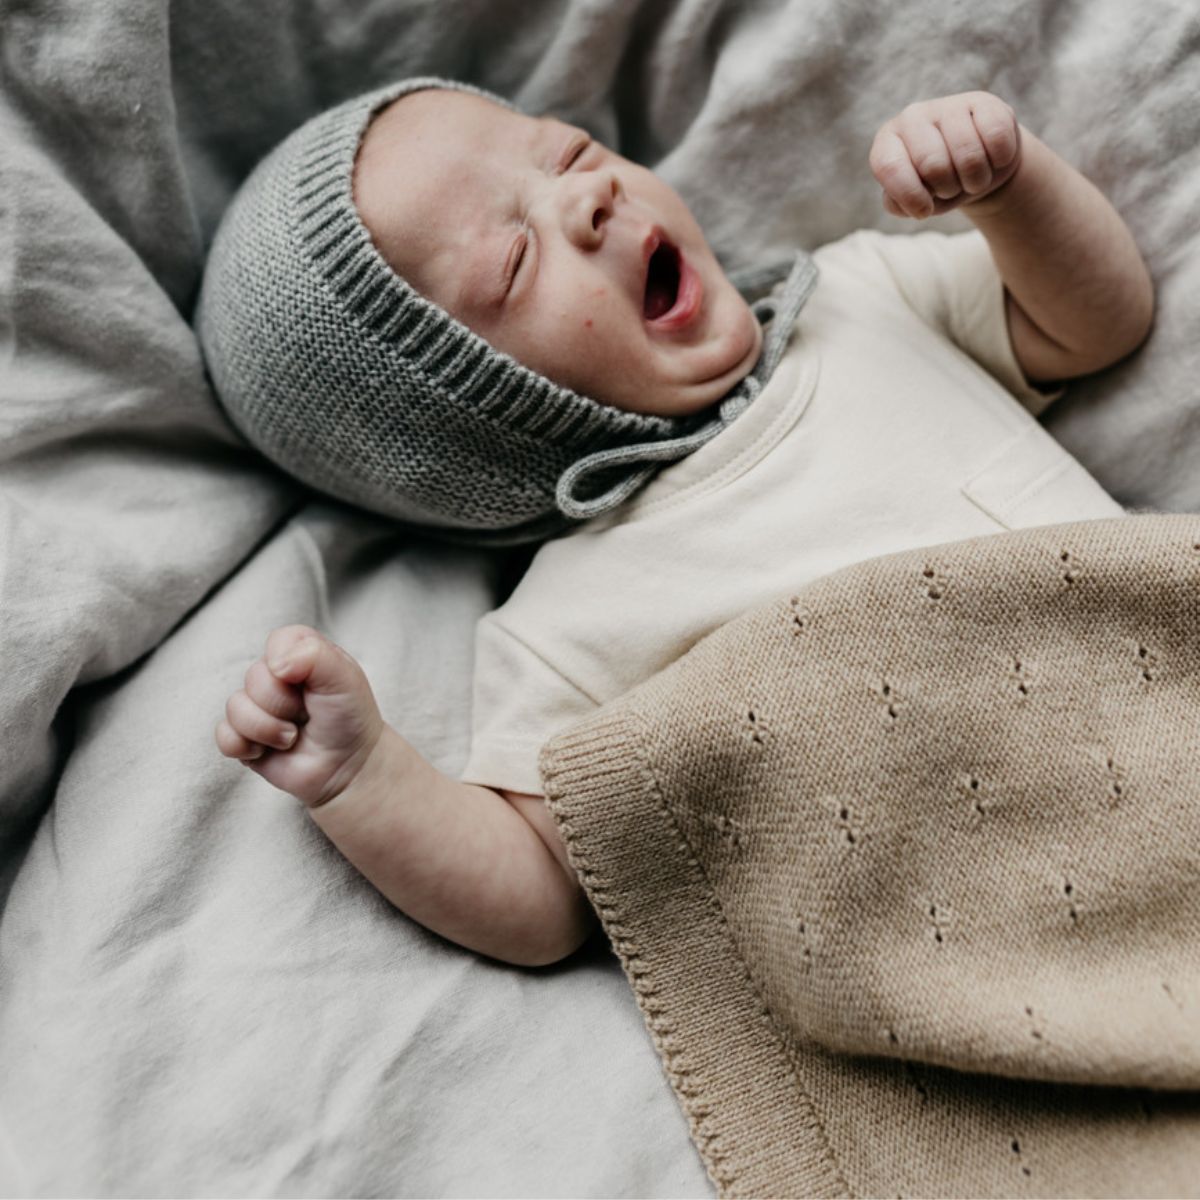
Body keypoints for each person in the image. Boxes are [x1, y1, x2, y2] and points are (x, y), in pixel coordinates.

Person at [200, 77, 1154, 969]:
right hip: (1000, 906)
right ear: (484, 421)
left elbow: (1091, 324)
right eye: (517, 259)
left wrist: (1010, 188)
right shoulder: (566, 627)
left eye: (569, 155)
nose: (589, 201)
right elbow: (546, 902)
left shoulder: (863, 297)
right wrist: (362, 778)